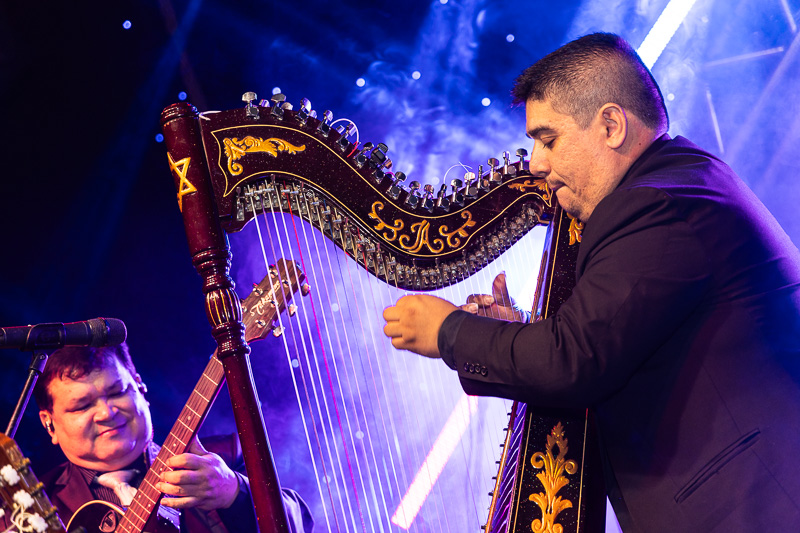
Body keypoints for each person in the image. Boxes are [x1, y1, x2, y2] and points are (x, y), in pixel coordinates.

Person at [383, 32, 800, 532]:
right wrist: (513, 332)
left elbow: (574, 359)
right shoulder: (683, 181)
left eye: (548, 139)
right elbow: (610, 341)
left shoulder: (651, 205)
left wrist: (448, 331)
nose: (535, 163)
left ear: (610, 125)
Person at [32, 341, 314, 532]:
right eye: (82, 405)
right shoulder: (36, 503)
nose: (106, 412)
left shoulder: (225, 455)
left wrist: (232, 491)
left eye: (117, 392)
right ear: (50, 424)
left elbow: (299, 521)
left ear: (140, 388)